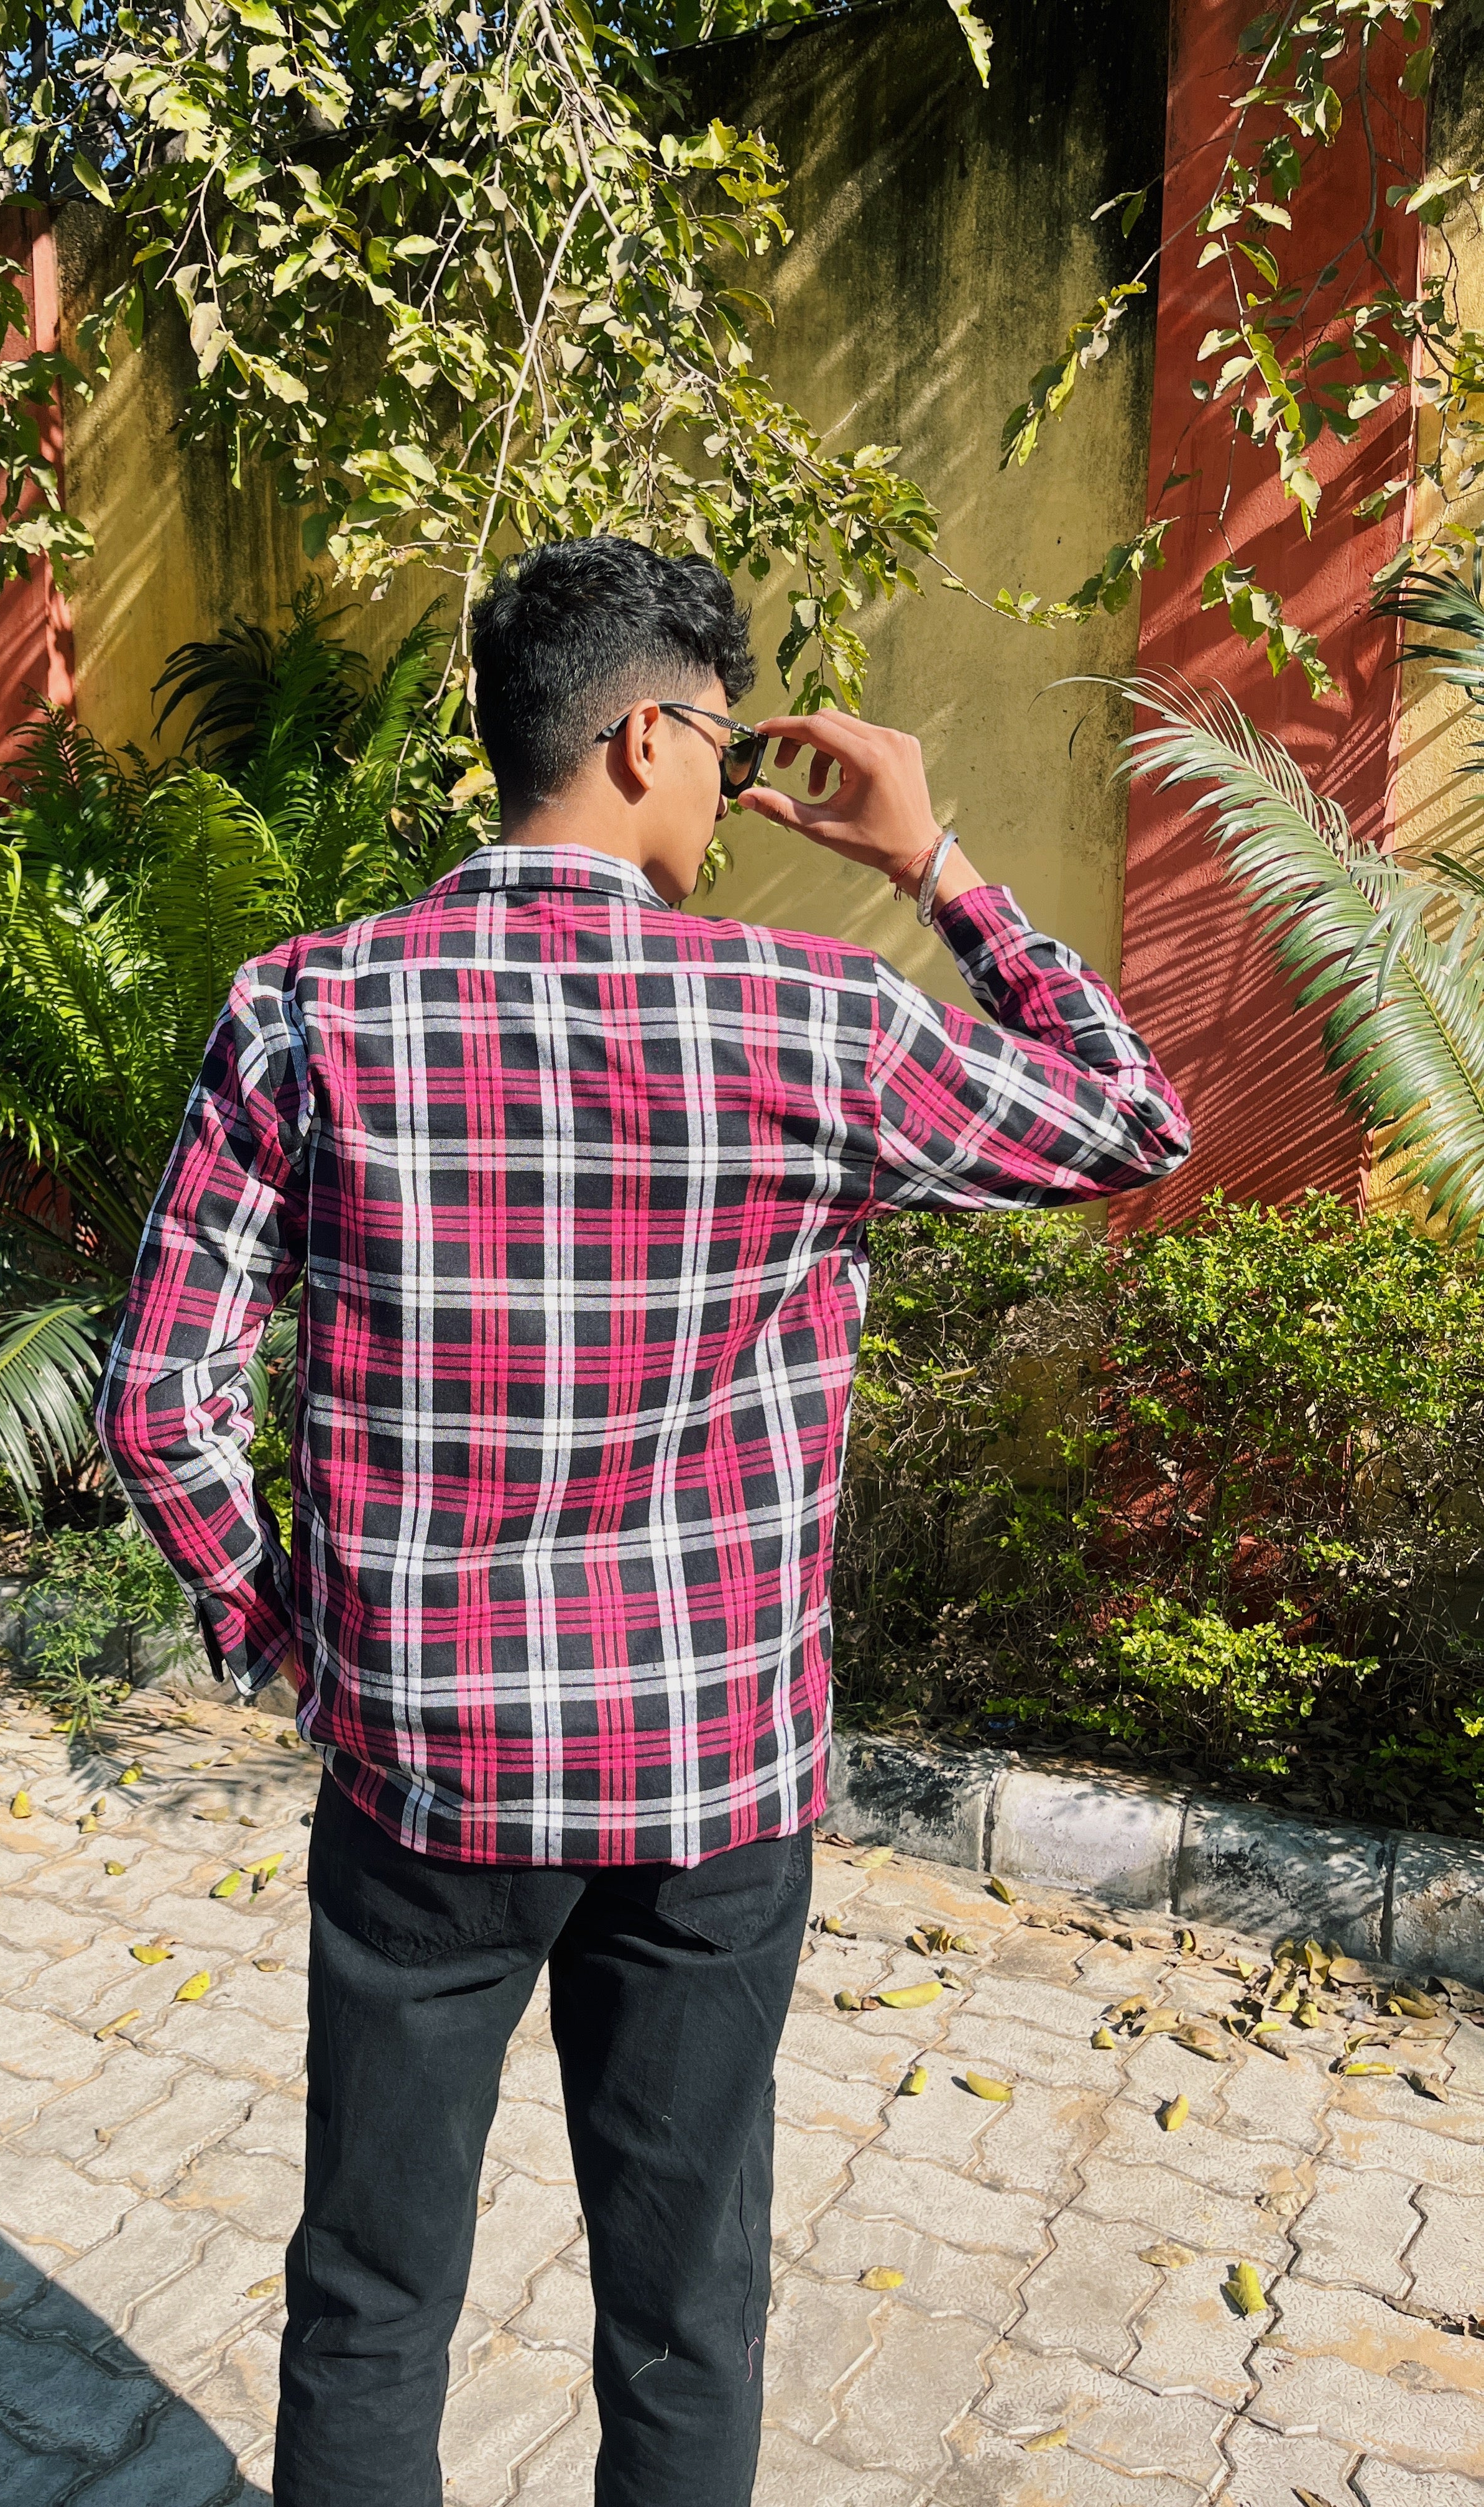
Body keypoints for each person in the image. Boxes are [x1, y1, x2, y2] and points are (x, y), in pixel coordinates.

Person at [96, 535, 1190, 2507]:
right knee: (686, 2312)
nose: (731, 796)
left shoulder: (306, 1011)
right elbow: (1129, 1115)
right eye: (720, 746)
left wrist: (287, 1643)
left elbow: (161, 1399)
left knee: (369, 2291)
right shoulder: (817, 1019)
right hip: (708, 1797)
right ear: (645, 736)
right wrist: (935, 863)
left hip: (421, 1783)